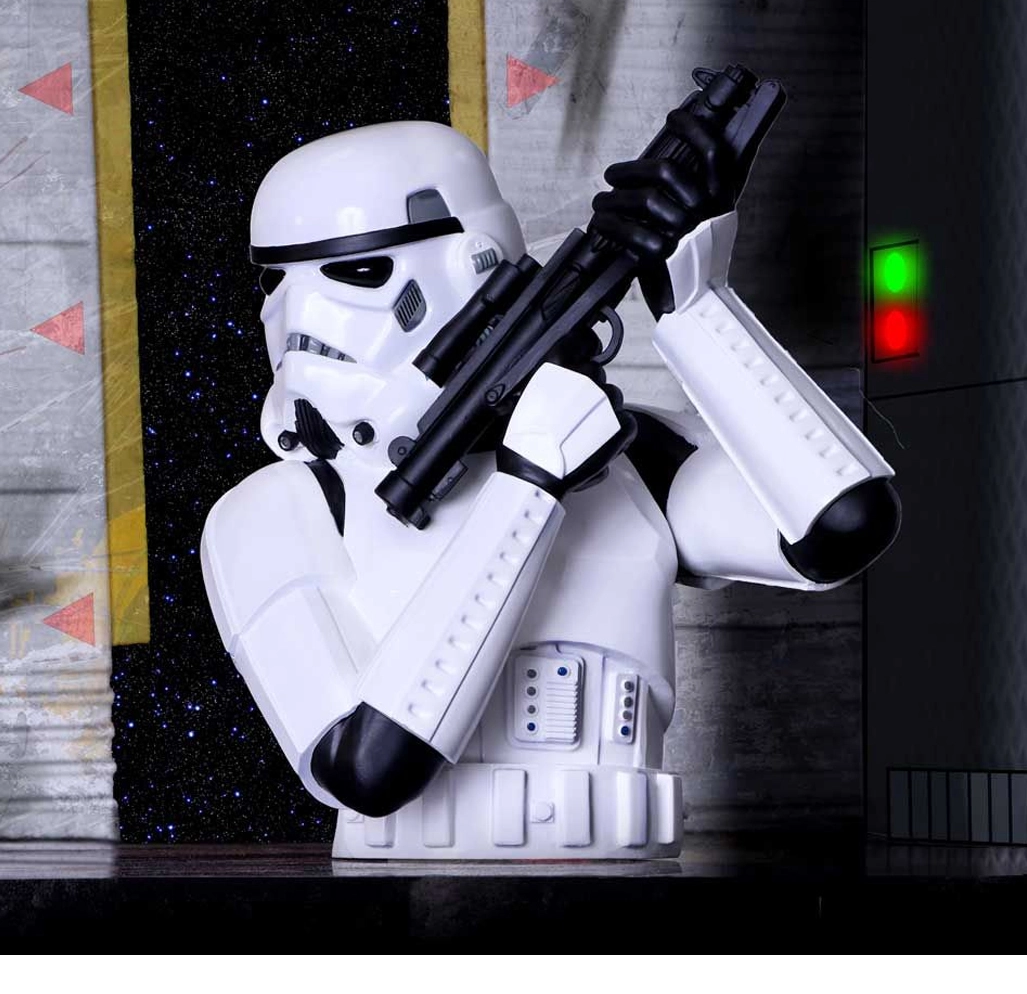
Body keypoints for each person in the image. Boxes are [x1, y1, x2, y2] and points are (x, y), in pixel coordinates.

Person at [201, 83, 899, 859]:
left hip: (633, 886)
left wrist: (695, 300)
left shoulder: (627, 459)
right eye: (275, 282)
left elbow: (839, 526)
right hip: (408, 894)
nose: (301, 317)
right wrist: (529, 488)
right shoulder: (274, 511)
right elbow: (364, 768)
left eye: (356, 273)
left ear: (474, 266)